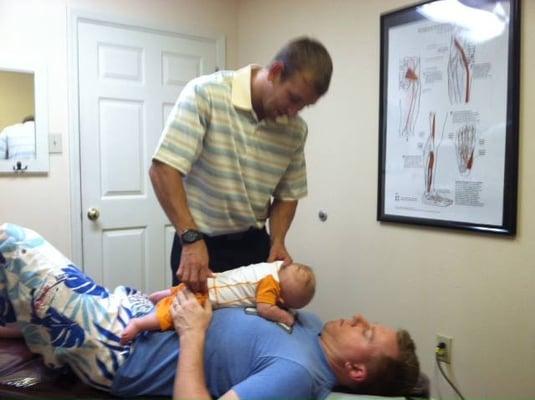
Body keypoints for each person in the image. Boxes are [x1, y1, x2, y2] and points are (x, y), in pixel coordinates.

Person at [0, 223, 420, 399]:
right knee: (21, 300)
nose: (360, 318)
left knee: (13, 241)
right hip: (131, 310)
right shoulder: (308, 326)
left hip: (119, 349)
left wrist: (194, 332)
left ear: (356, 371)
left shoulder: (297, 375)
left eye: (367, 333)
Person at [150, 37, 333, 293]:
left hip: (255, 246)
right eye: (293, 98)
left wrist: (278, 240)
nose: (294, 111)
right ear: (276, 72)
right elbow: (163, 169)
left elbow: (288, 194)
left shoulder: (295, 130)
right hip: (199, 243)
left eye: (303, 106)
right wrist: (190, 239)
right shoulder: (206, 93)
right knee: (193, 326)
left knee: (249, 326)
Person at [120, 260, 316, 344]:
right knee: (174, 314)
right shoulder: (270, 285)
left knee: (181, 288)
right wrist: (286, 316)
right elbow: (265, 309)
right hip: (208, 296)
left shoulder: (275, 267)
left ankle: (158, 295)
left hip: (213, 280)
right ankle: (139, 324)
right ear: (281, 299)